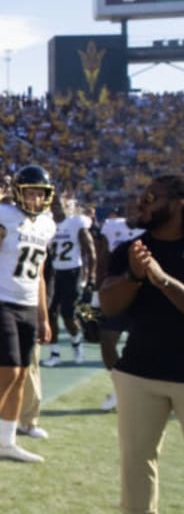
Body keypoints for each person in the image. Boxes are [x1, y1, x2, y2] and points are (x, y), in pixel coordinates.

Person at [98, 174, 184, 514]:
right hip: (139, 373)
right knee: (136, 469)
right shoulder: (130, 250)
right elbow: (109, 306)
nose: (142, 204)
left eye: (152, 198)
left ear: (179, 202)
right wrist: (134, 275)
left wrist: (162, 280)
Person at [0, 165, 56, 472]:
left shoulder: (46, 224)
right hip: (1, 301)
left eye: (40, 193)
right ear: (19, 191)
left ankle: (7, 442)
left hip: (28, 304)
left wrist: (44, 317)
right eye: (31, 191)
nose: (36, 198)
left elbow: (40, 274)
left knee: (20, 375)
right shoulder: (0, 218)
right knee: (8, 371)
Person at [96, 199, 144, 412]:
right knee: (107, 341)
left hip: (144, 296)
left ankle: (142, 392)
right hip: (118, 291)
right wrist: (98, 291)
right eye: (129, 209)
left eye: (137, 209)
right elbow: (103, 258)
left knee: (142, 347)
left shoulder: (154, 231)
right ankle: (120, 389)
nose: (133, 213)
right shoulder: (112, 227)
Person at [43, 196, 96, 367]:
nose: (56, 208)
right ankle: (55, 352)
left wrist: (91, 275)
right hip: (54, 272)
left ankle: (77, 344)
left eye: (59, 205)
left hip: (72, 272)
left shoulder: (75, 223)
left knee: (68, 315)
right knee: (50, 313)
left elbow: (90, 251)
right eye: (53, 205)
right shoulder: (48, 225)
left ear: (67, 206)